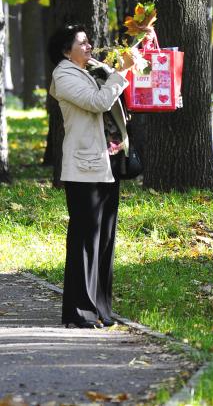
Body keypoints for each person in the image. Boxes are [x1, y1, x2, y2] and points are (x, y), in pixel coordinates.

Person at [48, 24, 137, 329]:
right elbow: (98, 102)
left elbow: (118, 74)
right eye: (82, 43)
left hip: (107, 163)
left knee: (105, 240)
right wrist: (121, 74)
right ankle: (79, 312)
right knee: (85, 238)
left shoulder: (93, 68)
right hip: (84, 167)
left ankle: (101, 309)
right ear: (65, 50)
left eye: (88, 42)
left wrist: (137, 49)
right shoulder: (64, 75)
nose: (89, 47)